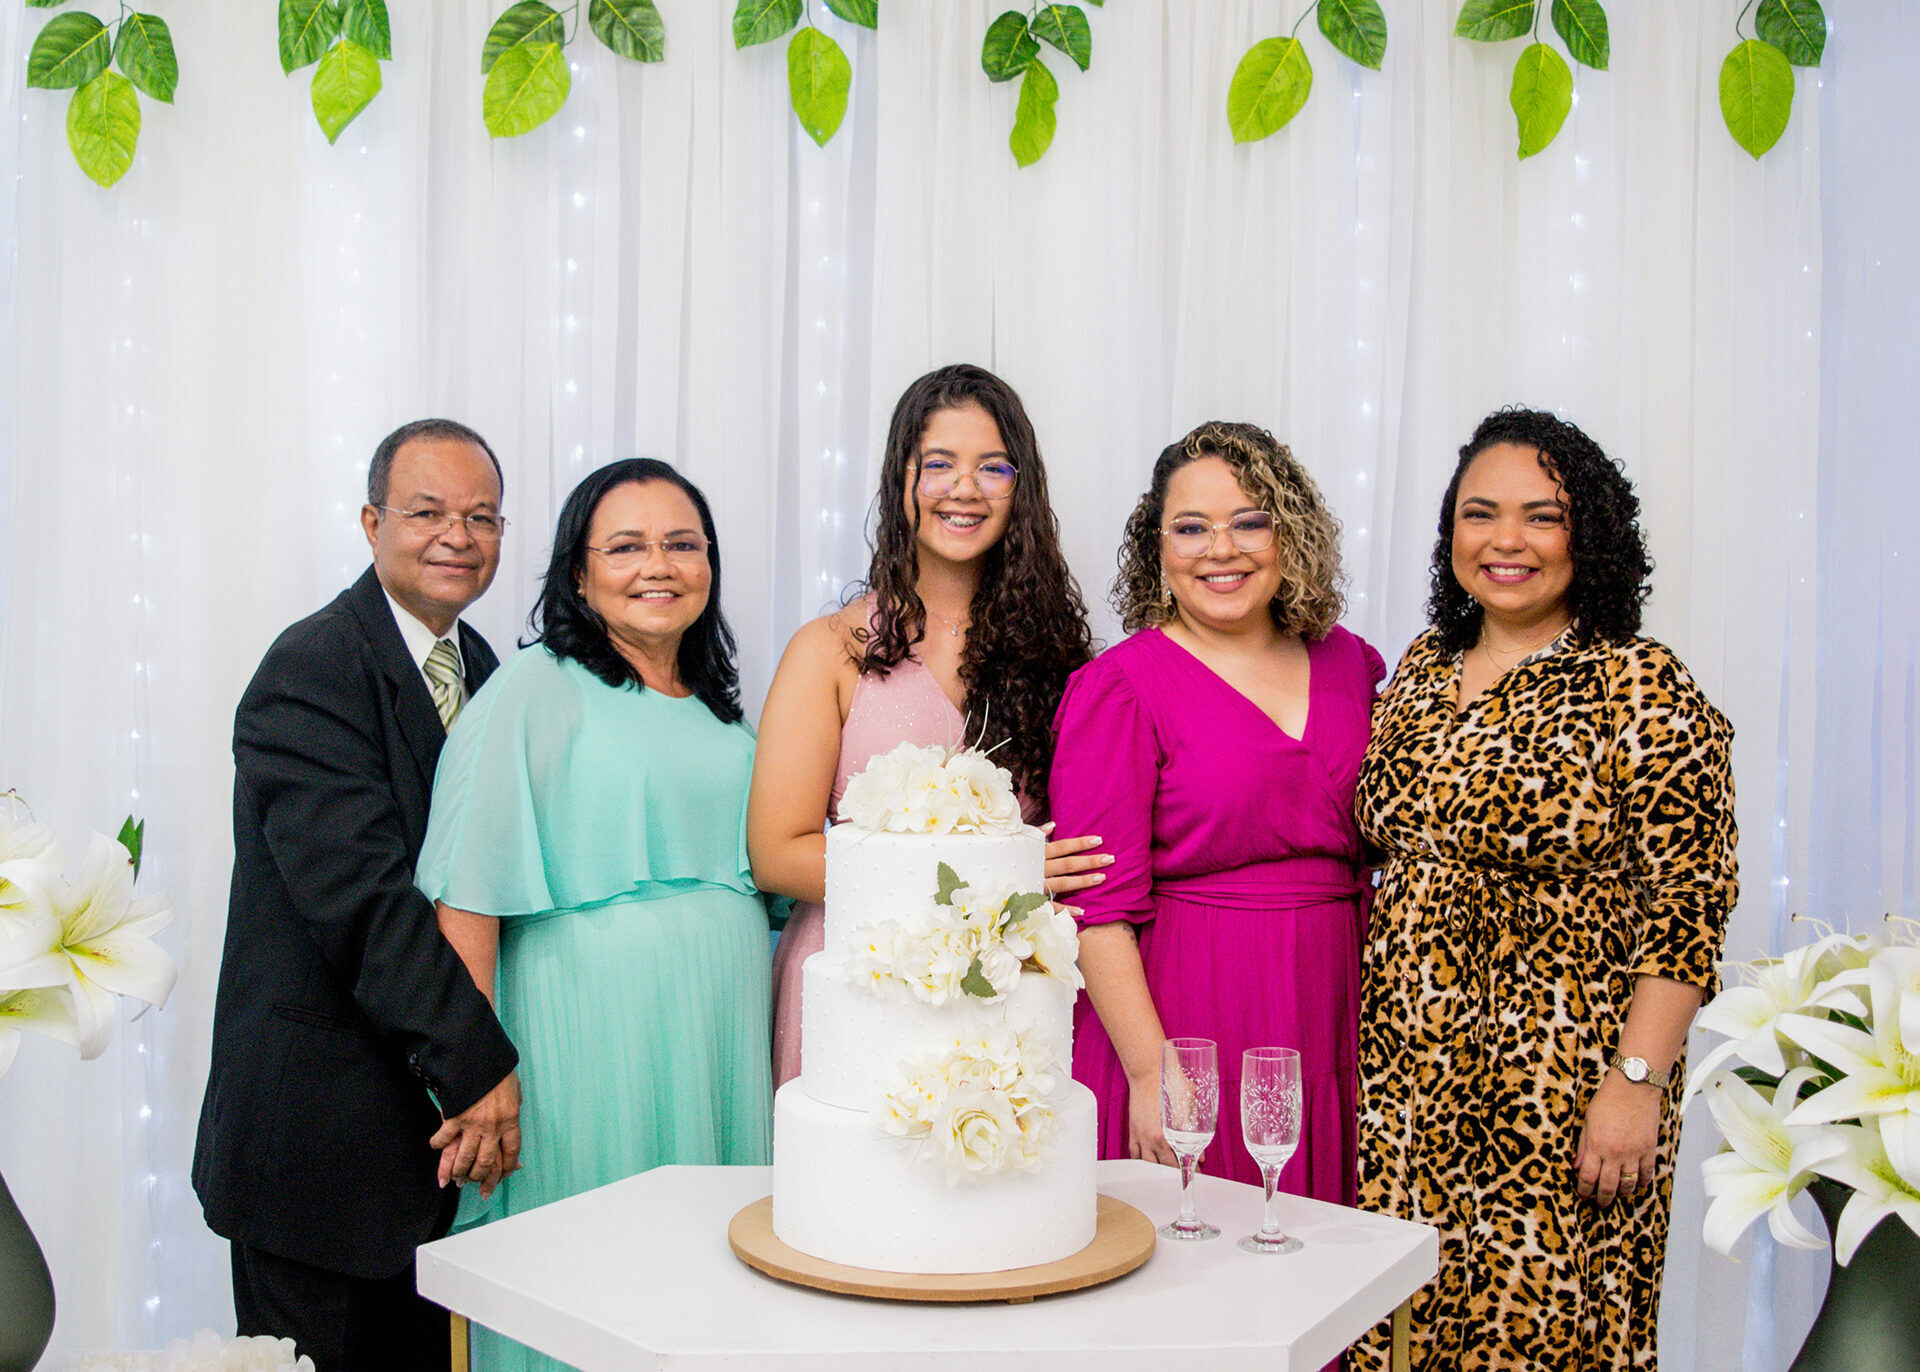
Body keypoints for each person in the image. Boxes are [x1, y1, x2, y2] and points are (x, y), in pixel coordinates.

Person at [1351, 409, 1737, 1370]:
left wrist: (1636, 1084)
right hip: (1408, 1076)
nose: (1506, 540)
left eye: (1542, 516)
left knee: (1544, 1336)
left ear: (1588, 534)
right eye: (1480, 514)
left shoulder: (1640, 683)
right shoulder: (1419, 669)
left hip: (1561, 1080)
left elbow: (1689, 906)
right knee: (1402, 1322)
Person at [421, 459, 772, 1372]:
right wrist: (475, 1071)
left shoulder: (723, 713)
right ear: (578, 575)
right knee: (597, 1283)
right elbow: (466, 894)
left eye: (682, 543)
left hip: (718, 1049)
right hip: (590, 1046)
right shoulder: (535, 689)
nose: (658, 565)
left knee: (708, 1291)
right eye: (625, 547)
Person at [193, 419, 521, 1372]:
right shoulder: (312, 667)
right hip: (318, 1155)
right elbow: (365, 905)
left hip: (430, 1165)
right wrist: (479, 1069)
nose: (457, 535)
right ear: (373, 523)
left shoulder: (486, 670)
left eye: (482, 517)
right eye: (428, 512)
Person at [1049, 421, 1383, 1200]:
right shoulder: (1121, 688)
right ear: (1158, 548)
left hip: (1338, 1010)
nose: (1220, 549)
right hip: (1189, 1015)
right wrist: (1149, 1069)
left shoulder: (1352, 663)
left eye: (1249, 522)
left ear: (1290, 533)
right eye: (1191, 528)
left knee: (1329, 1250)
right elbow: (1097, 909)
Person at [749, 363, 1105, 1088]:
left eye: (993, 467)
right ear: (900, 479)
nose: (964, 488)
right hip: (860, 981)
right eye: (938, 463)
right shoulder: (829, 650)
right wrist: (995, 877)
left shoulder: (1062, 658)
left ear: (1021, 489)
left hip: (1006, 991)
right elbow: (777, 856)